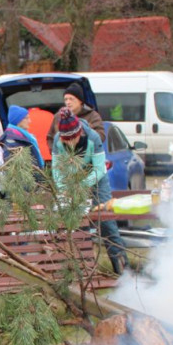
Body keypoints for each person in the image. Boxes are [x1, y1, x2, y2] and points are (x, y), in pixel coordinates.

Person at [51, 107, 127, 276]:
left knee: (105, 220)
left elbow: (99, 169)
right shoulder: (57, 140)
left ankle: (122, 268)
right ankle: (75, 268)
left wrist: (82, 185)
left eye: (73, 139)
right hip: (71, 179)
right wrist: (64, 189)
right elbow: (57, 170)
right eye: (66, 140)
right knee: (69, 219)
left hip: (96, 178)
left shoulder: (93, 137)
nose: (70, 143)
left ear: (80, 133)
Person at [47, 82, 105, 152]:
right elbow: (50, 137)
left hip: (88, 156)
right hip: (63, 157)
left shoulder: (93, 116)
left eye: (71, 99)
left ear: (80, 101)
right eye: (66, 99)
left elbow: (101, 136)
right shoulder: (58, 116)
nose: (68, 102)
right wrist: (55, 152)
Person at [2, 105, 44, 171]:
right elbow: (12, 166)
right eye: (26, 118)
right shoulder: (12, 140)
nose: (29, 121)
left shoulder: (23, 136)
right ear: (18, 121)